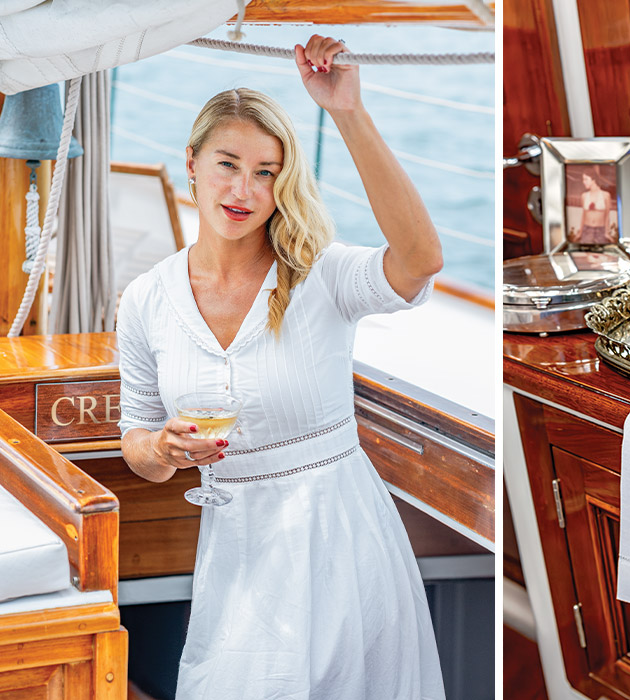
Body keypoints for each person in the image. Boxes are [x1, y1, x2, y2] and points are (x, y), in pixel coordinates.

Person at [116, 36, 446, 699]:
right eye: (228, 164)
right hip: (235, 559)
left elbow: (419, 259)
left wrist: (347, 111)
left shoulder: (322, 275)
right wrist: (163, 447)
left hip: (342, 548)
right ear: (191, 164)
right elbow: (138, 445)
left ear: (283, 181)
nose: (243, 190)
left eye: (266, 171)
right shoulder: (147, 298)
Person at [577, 167, 614, 244]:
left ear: (593, 179)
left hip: (600, 230)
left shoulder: (606, 195)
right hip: (587, 230)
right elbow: (583, 215)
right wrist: (580, 232)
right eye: (583, 179)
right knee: (587, 253)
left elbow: (607, 215)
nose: (584, 182)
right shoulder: (584, 196)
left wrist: (606, 232)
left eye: (586, 179)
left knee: (601, 254)